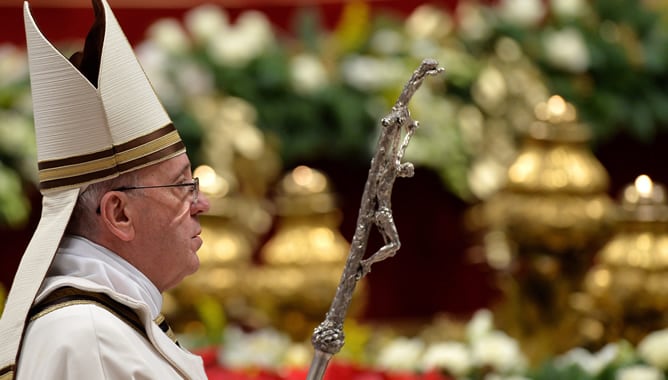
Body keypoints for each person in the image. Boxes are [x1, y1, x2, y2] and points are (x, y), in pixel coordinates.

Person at [0, 0, 210, 378]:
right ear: (119, 214)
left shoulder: (103, 324)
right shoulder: (88, 337)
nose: (203, 203)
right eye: (183, 186)